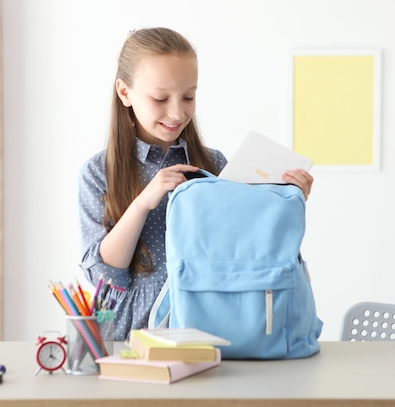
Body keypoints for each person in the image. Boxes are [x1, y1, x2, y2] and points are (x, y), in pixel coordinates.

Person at [78, 27, 313, 341]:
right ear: (124, 93)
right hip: (129, 333)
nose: (177, 112)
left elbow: (246, 252)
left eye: (188, 96)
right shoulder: (98, 172)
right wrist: (144, 202)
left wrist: (286, 201)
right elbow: (106, 276)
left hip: (206, 323)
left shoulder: (214, 164)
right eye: (161, 98)